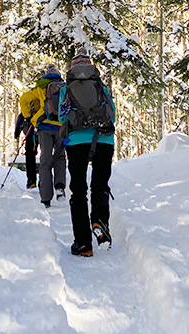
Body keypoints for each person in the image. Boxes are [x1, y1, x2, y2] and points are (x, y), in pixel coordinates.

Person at [59, 49, 115, 257]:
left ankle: (83, 244)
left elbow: (62, 116)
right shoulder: (101, 86)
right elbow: (113, 114)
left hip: (76, 141)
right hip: (104, 138)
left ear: (73, 67)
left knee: (79, 189)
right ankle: (99, 220)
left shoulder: (67, 88)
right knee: (100, 185)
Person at [34, 64, 67, 208]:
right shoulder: (64, 87)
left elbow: (23, 99)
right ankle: (60, 186)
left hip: (45, 128)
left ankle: (46, 199)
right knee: (60, 156)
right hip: (60, 126)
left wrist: (32, 117)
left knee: (45, 161)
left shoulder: (40, 87)